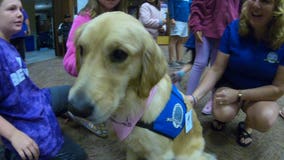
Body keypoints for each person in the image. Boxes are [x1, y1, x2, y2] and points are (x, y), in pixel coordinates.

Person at [188, 0, 284, 147]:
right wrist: (194, 97)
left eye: (265, 1)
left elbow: (278, 89)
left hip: (260, 91)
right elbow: (216, 68)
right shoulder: (234, 28)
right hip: (230, 83)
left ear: (278, 9)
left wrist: (240, 95)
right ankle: (222, 118)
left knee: (265, 118)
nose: (255, 5)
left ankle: (247, 125)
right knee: (222, 113)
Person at [0, 0, 87, 159]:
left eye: (20, 9)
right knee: (78, 156)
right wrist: (13, 135)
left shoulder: (8, 44)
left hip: (37, 98)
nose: (20, 14)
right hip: (21, 116)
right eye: (11, 9)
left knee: (74, 93)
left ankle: (60, 113)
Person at [63, 0, 128, 138]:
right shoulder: (83, 19)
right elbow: (69, 60)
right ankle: (81, 115)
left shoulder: (125, 19)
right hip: (92, 85)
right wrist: (92, 65)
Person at [187, 0, 240, 115]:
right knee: (200, 63)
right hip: (205, 28)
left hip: (226, 32)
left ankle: (213, 100)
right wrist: (196, 25)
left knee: (218, 66)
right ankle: (188, 98)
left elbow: (239, 9)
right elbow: (197, 5)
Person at [167, 0, 191, 67]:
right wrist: (172, 18)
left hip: (185, 21)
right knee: (173, 40)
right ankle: (171, 61)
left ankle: (179, 60)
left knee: (181, 41)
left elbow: (190, 6)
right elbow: (170, 4)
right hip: (177, 20)